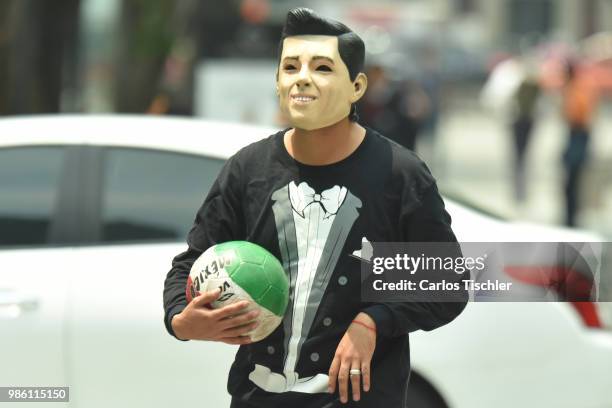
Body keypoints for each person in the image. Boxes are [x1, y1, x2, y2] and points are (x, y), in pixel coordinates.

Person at [163, 8, 467, 408]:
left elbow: (447, 282)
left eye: (322, 67)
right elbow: (190, 264)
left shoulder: (398, 174)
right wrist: (183, 321)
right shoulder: (247, 169)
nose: (302, 78)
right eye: (290, 67)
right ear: (277, 81)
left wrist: (372, 321)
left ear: (357, 87)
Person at [561, 59, 598, 227]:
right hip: (576, 134)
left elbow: (579, 115)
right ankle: (570, 216)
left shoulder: (577, 89)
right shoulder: (575, 88)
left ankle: (571, 218)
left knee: (573, 180)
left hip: (578, 134)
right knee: (571, 180)